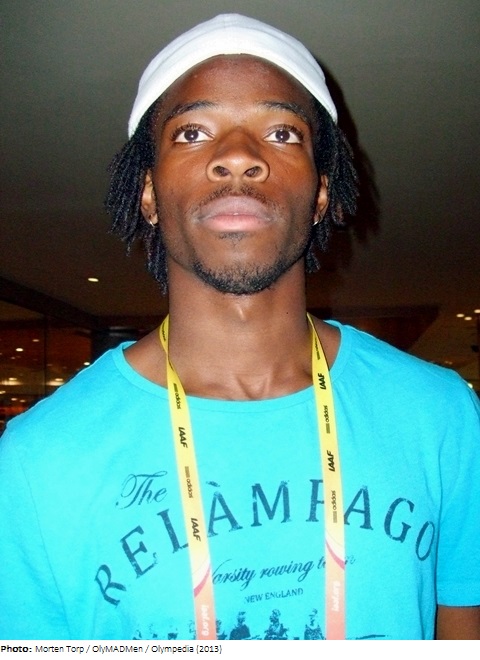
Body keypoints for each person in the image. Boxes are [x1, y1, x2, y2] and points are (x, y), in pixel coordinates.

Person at [0, 14, 479, 641]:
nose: (237, 157)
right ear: (148, 193)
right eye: (192, 132)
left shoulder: (440, 413)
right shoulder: (36, 461)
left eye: (281, 133)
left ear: (321, 194)